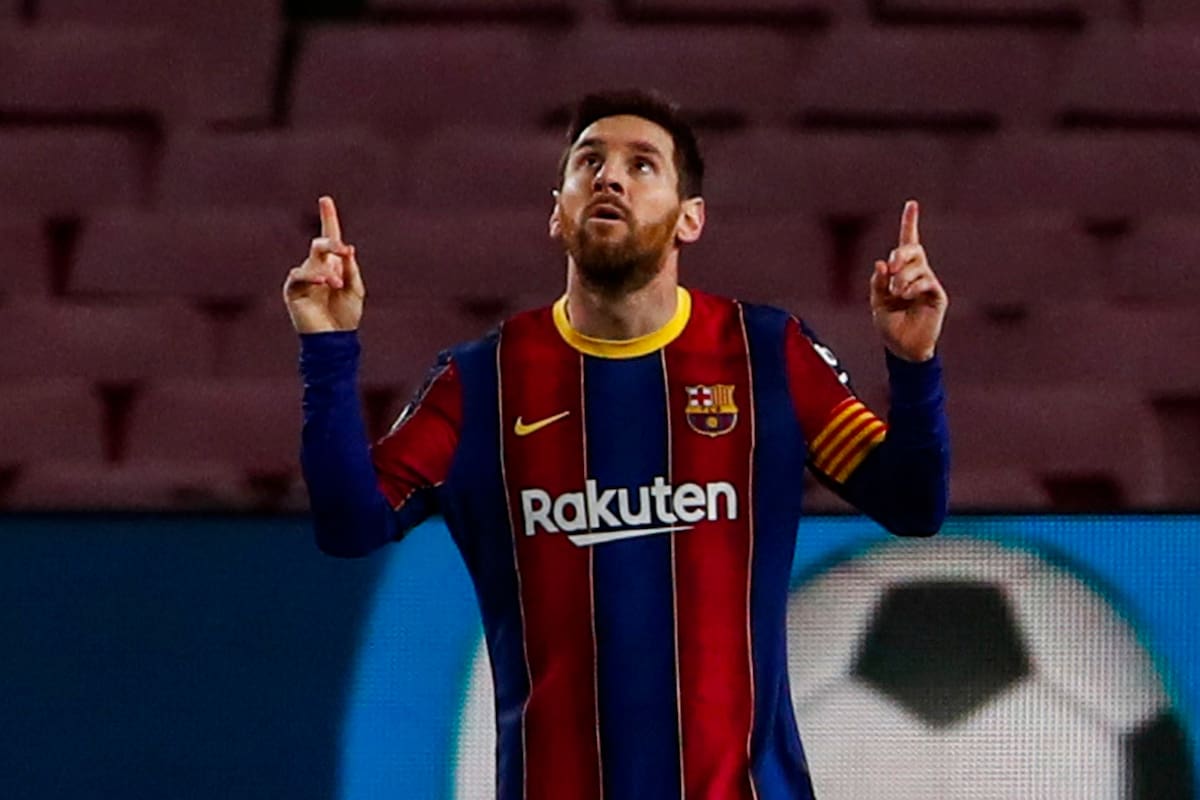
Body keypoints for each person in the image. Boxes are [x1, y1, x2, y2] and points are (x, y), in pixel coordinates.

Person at [285, 90, 949, 800]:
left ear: (689, 218)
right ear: (556, 209)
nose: (609, 178)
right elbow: (351, 523)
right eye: (589, 163)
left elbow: (912, 503)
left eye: (642, 166)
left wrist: (913, 367)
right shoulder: (481, 383)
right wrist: (327, 348)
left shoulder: (766, 356)